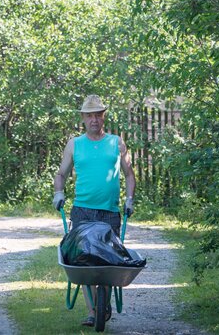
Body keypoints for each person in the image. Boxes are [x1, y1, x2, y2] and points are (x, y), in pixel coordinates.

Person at [53, 94, 135, 327]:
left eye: (98, 114)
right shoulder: (75, 144)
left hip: (109, 212)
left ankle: (102, 304)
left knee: (108, 262)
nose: (94, 119)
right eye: (89, 115)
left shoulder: (116, 143)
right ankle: (94, 311)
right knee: (84, 263)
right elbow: (61, 174)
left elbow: (129, 174)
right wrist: (58, 193)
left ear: (103, 116)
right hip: (82, 212)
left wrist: (129, 199)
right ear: (83, 118)